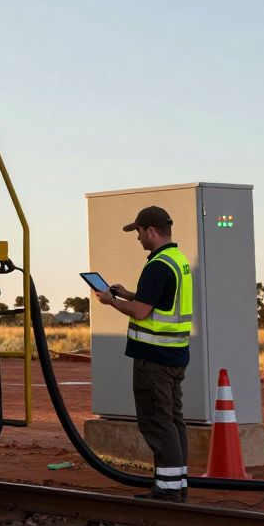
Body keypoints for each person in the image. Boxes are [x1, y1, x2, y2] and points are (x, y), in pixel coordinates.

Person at [92, 205, 193, 501]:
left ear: (150, 230)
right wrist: (129, 293)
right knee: (173, 420)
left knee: (157, 420)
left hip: (155, 359)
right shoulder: (178, 261)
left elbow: (141, 312)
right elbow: (158, 302)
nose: (137, 238)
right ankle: (176, 482)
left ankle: (168, 489)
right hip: (175, 356)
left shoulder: (158, 265)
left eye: (137, 231)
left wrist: (111, 301)